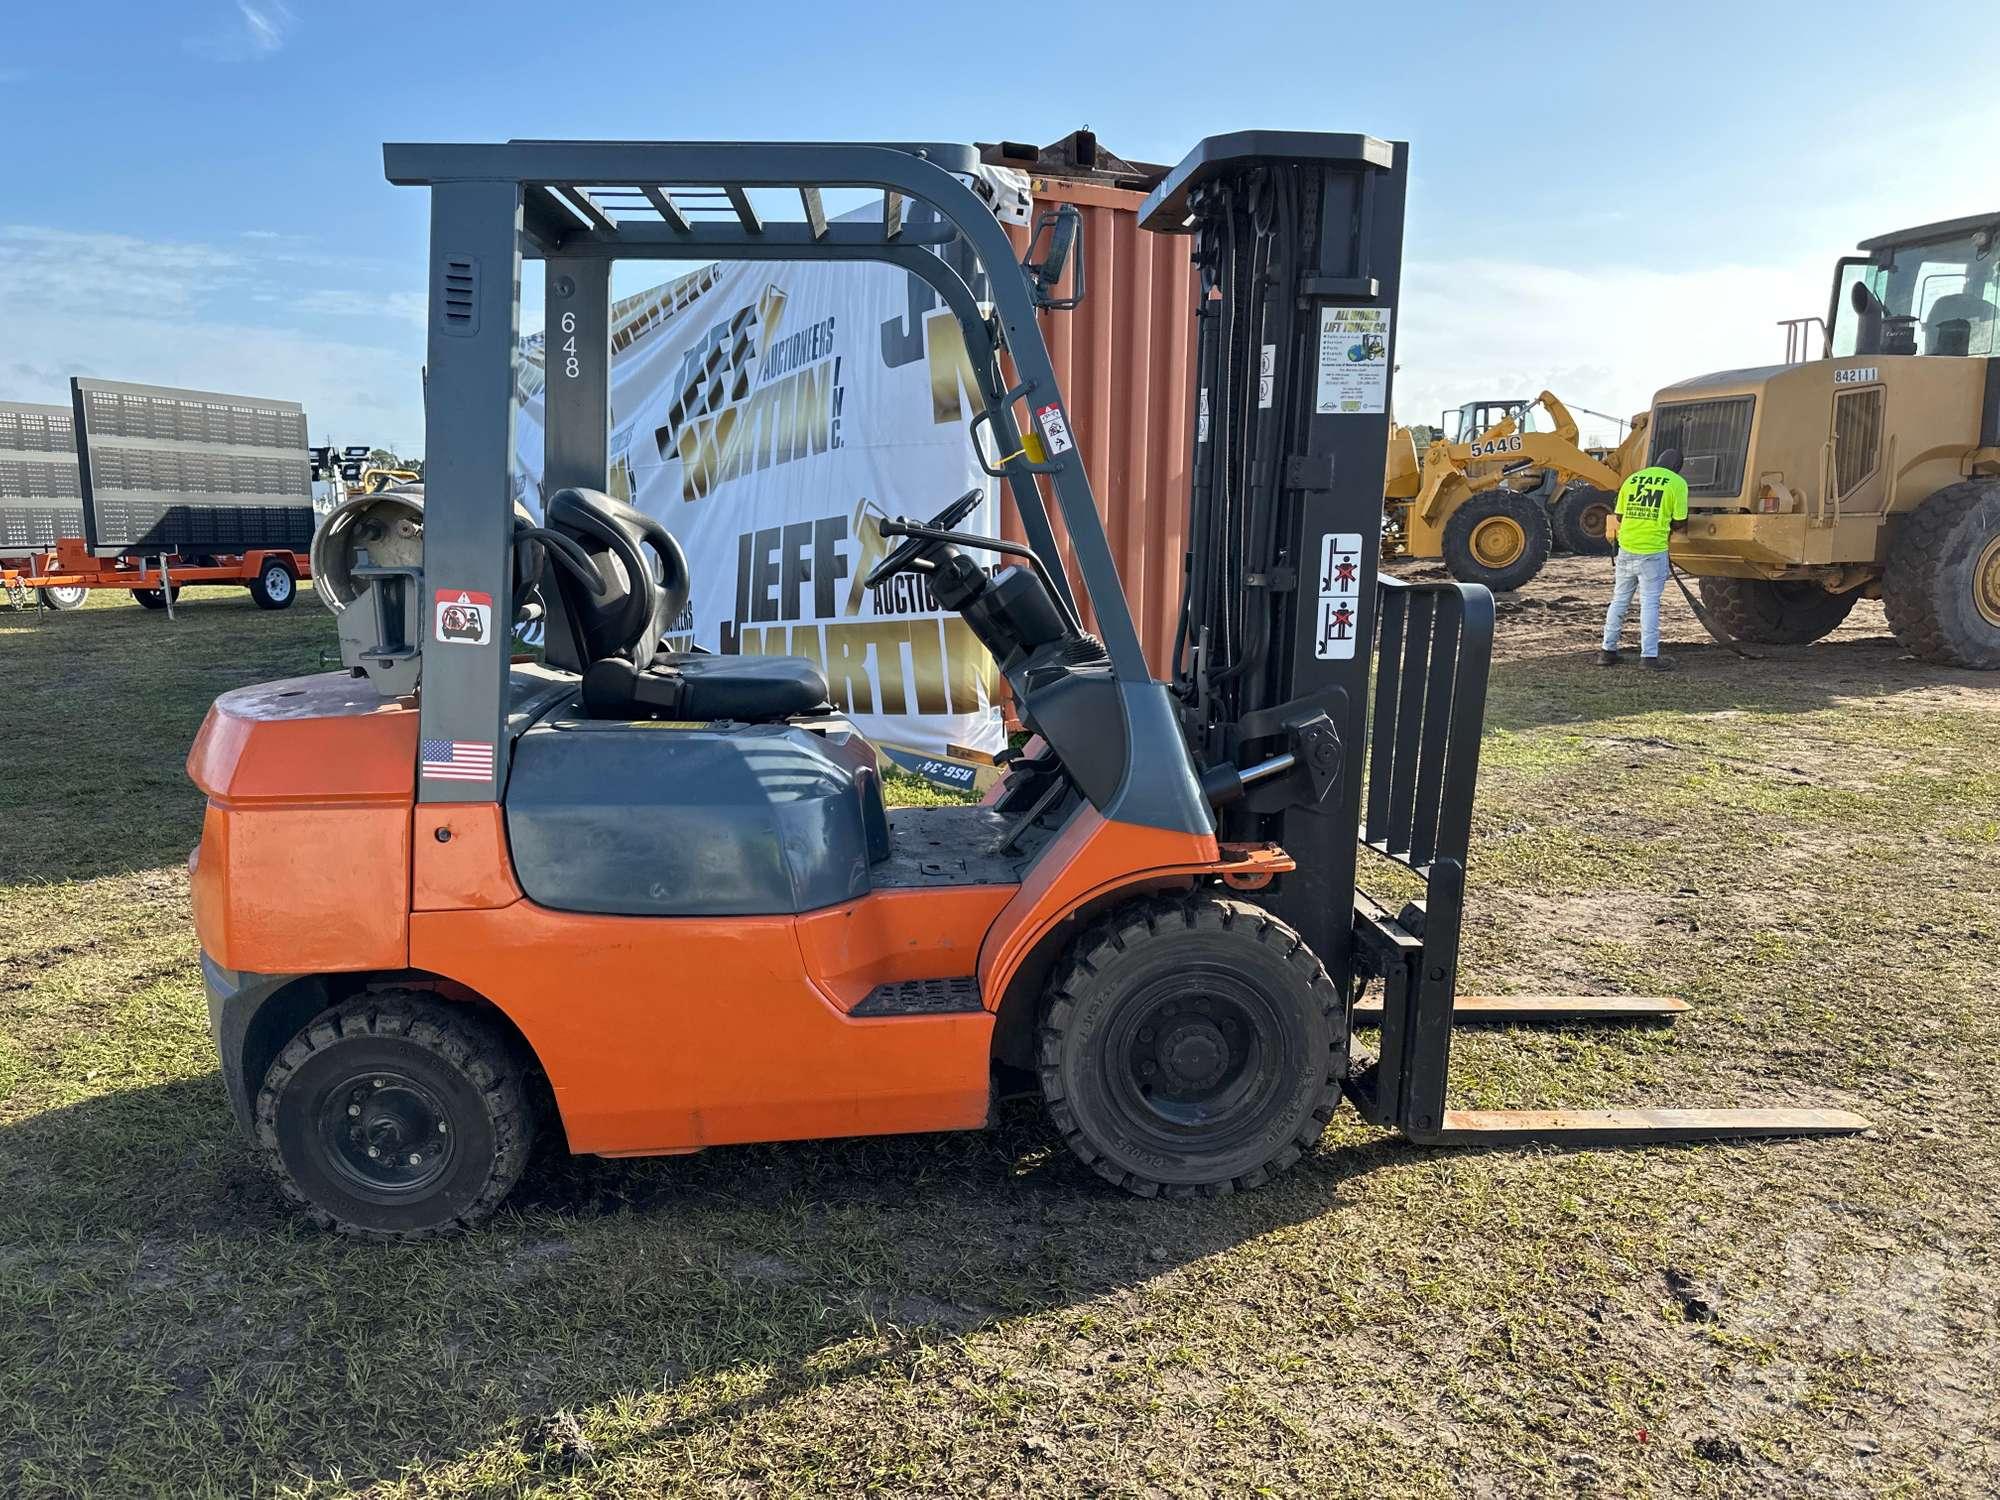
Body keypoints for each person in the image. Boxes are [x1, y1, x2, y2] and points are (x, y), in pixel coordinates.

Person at [1599, 447, 1690, 670]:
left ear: (1657, 461)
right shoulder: (1677, 483)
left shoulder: (1632, 479)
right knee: (1649, 603)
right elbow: (1680, 522)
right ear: (1677, 467)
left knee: (1619, 600)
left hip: (1626, 549)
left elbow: (1620, 516)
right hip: (1652, 552)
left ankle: (1607, 652)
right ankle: (1649, 657)